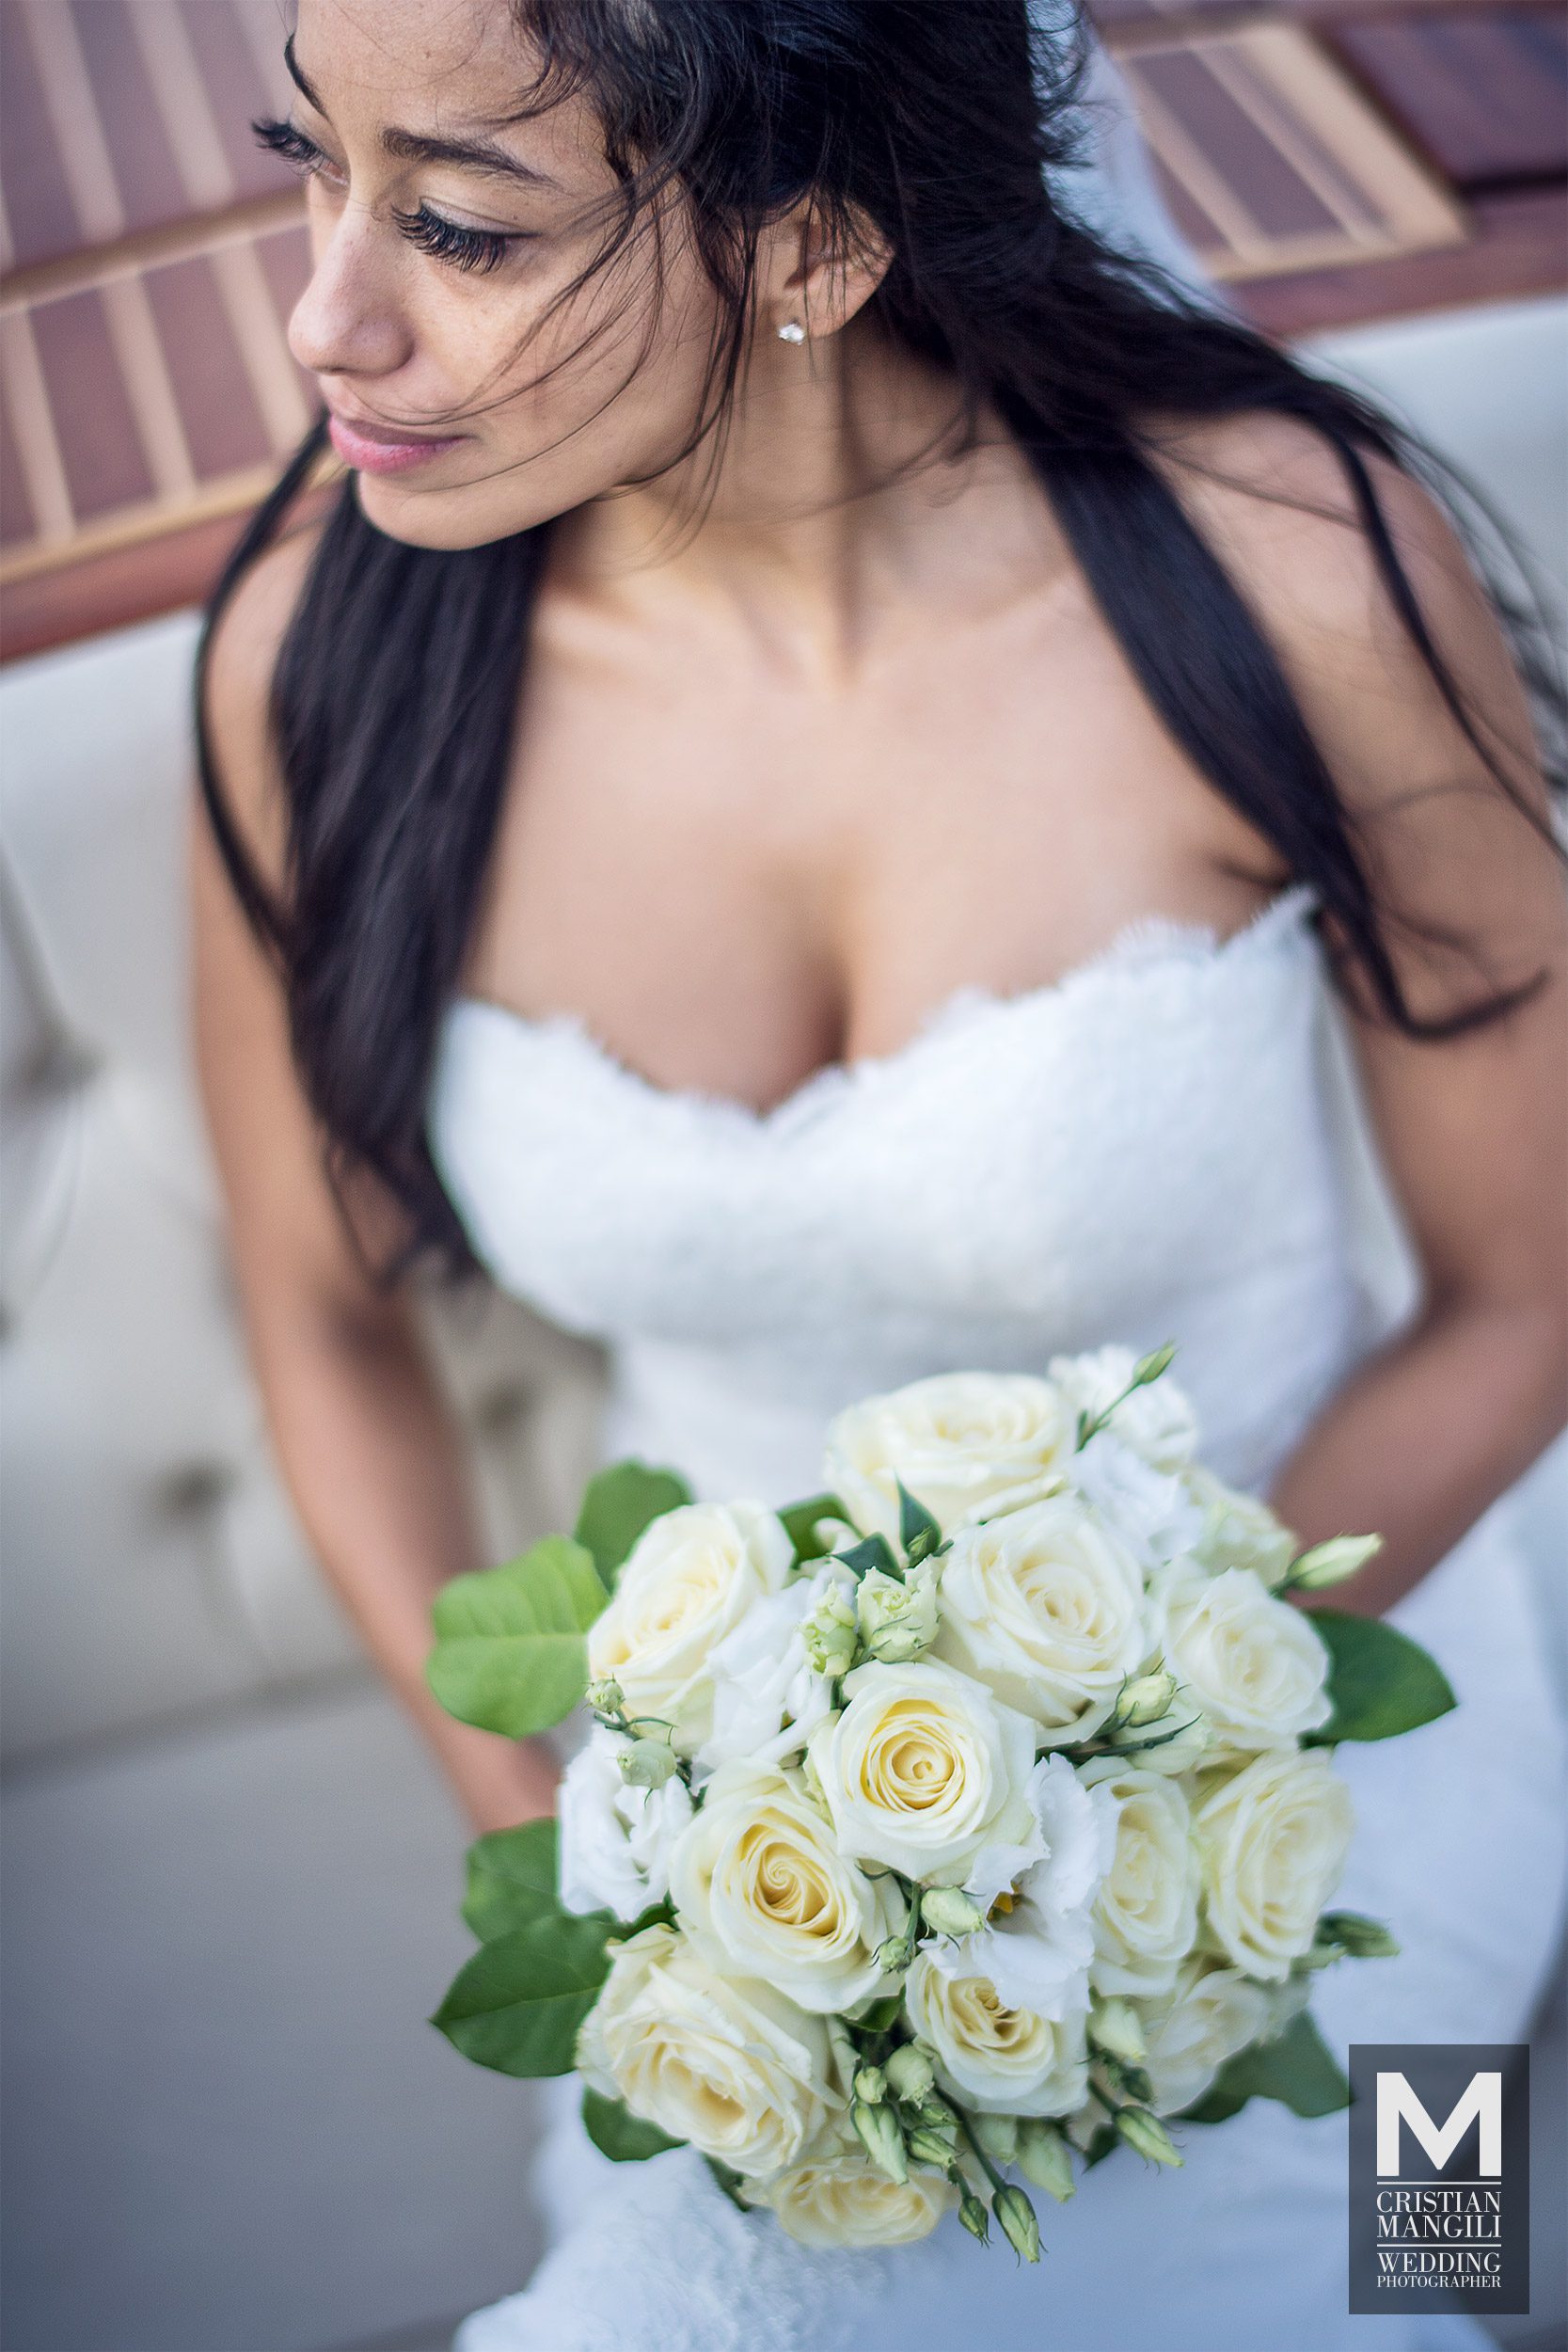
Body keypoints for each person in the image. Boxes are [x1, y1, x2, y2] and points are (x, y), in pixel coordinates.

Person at [191, 2, 1568, 2346]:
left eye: (459, 226)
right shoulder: (310, 673)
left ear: (813, 245)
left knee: (1399, 2291)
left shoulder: (1293, 573)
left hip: (1346, 1691)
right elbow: (319, 1321)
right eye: (307, 164)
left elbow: (1526, 1296)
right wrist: (601, 1872)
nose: (324, 318)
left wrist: (1136, 1770)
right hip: (741, 1866)